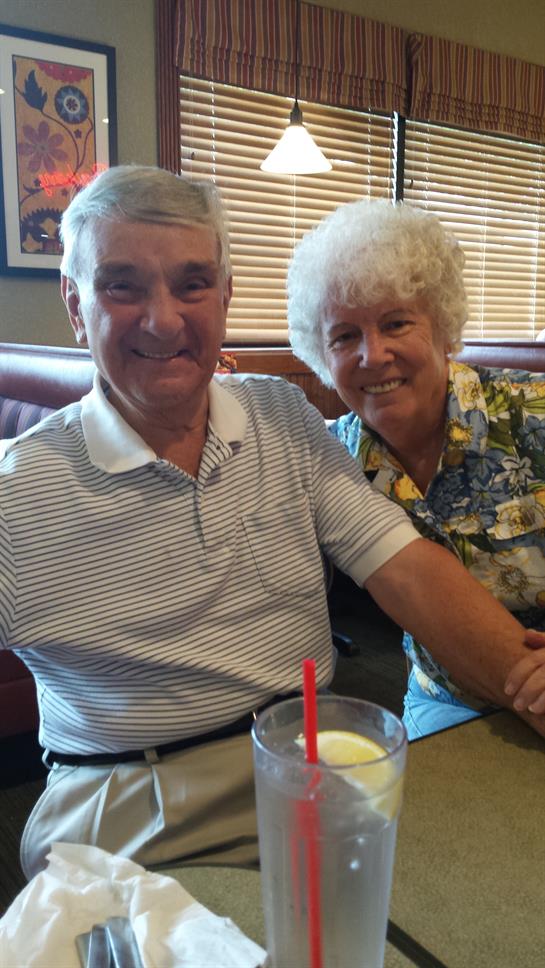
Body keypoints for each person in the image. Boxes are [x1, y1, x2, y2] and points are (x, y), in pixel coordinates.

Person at [1, 168, 544, 881]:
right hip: (126, 796)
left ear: (225, 297)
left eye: (192, 284)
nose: (162, 319)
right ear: (76, 304)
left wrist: (525, 685)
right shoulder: (20, 491)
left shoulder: (282, 419)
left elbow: (404, 566)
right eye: (122, 286)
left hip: (313, 760)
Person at [287, 197, 545, 739]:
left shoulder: (533, 414)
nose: (372, 355)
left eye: (396, 323)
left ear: (445, 327)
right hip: (443, 701)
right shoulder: (330, 460)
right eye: (344, 336)